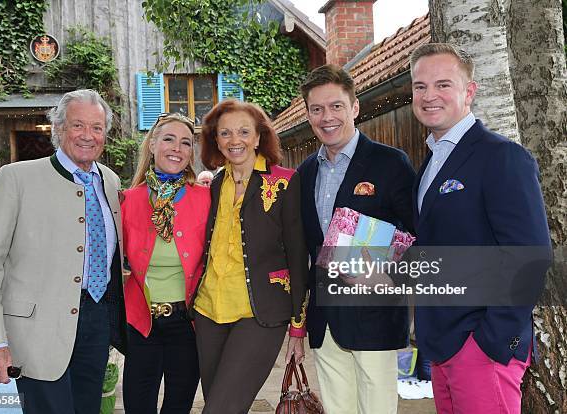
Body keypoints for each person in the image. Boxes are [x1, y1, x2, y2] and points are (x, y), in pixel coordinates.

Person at [410, 43, 552, 413]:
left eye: (443, 84)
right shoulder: (431, 163)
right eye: (420, 86)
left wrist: (493, 342)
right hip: (442, 346)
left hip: (482, 347)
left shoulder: (502, 157)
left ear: (469, 91)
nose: (429, 96)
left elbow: (531, 257)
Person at [0, 89, 127, 414]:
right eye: (77, 125)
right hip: (37, 334)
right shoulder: (16, 179)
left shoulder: (109, 181)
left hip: (96, 325)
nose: (88, 135)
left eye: (97, 127)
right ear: (58, 129)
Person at [297, 64, 415, 414]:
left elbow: (418, 236)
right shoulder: (305, 173)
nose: (326, 117)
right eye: (316, 109)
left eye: (335, 106)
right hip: (325, 319)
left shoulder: (391, 163)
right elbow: (306, 247)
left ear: (355, 108)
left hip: (375, 314)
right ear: (308, 115)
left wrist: (389, 278)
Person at [192, 99, 308, 413]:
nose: (235, 140)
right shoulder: (214, 184)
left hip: (260, 314)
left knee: (220, 409)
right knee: (224, 404)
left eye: (244, 131)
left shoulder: (284, 181)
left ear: (258, 137)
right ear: (216, 140)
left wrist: (298, 325)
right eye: (225, 133)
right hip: (208, 313)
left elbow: (298, 254)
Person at [121, 112, 210, 413]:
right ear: (153, 145)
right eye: (169, 139)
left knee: (178, 405)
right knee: (137, 404)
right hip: (141, 322)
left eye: (186, 142)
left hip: (188, 323)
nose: (177, 148)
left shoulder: (207, 198)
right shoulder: (127, 200)